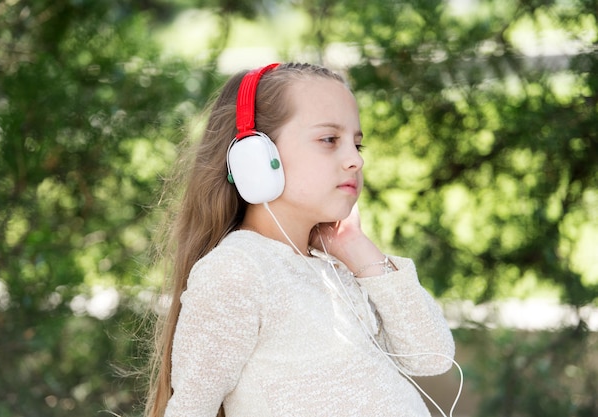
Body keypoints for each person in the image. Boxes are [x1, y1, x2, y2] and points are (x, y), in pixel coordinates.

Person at [145, 62, 456, 417]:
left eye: (357, 144)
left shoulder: (336, 267)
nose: (355, 160)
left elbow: (432, 356)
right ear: (257, 158)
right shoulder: (238, 270)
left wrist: (358, 249)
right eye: (329, 140)